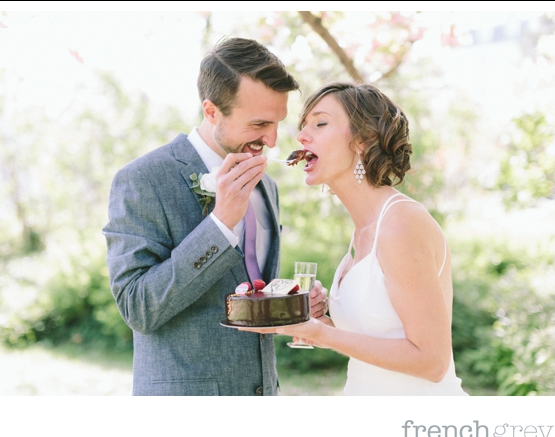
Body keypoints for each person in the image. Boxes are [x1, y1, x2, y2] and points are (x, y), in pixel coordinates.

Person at [102, 37, 328, 396]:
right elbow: (138, 307)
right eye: (258, 124)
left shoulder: (267, 186)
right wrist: (220, 224)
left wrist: (293, 304)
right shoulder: (143, 179)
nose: (271, 140)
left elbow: (247, 287)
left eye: (276, 123)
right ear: (211, 112)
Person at [240, 82, 468, 395]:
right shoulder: (363, 230)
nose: (302, 137)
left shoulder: (401, 224)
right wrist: (319, 322)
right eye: (303, 127)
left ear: (362, 140)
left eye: (320, 123)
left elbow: (431, 361)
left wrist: (319, 334)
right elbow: (379, 340)